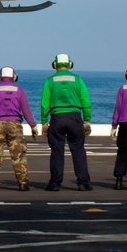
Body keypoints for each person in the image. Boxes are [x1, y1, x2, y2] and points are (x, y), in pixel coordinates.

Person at [0, 66, 38, 191]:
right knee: (19, 154)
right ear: (14, 77)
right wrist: (33, 126)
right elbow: (26, 110)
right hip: (15, 125)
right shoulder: (20, 90)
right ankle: (23, 183)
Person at [41, 53, 93, 191]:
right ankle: (83, 183)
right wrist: (87, 120)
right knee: (78, 150)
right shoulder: (78, 80)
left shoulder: (49, 80)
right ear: (70, 64)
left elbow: (44, 104)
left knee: (57, 151)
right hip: (74, 118)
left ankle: (55, 184)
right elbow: (86, 101)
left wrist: (44, 122)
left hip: (57, 118)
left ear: (54, 65)